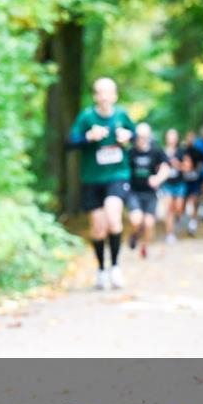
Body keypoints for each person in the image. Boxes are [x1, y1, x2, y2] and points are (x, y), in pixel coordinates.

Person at [66, 78, 135, 290]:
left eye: (108, 92)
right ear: (95, 96)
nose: (104, 97)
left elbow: (135, 138)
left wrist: (127, 137)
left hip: (117, 176)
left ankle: (115, 267)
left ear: (115, 95)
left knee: (114, 219)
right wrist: (88, 137)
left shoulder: (122, 115)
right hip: (92, 179)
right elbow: (69, 143)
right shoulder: (87, 117)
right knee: (98, 229)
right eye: (100, 93)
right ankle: (101, 270)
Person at [126, 123, 169, 258]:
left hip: (150, 193)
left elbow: (165, 168)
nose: (142, 139)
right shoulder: (130, 152)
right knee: (136, 220)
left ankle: (144, 247)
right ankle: (134, 234)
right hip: (134, 192)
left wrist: (158, 178)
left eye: (145, 137)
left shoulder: (156, 151)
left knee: (149, 223)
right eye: (140, 137)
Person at [159, 128, 186, 245]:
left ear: (177, 139)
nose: (172, 139)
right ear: (166, 138)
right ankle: (170, 234)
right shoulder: (162, 152)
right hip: (167, 184)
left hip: (179, 183)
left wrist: (177, 164)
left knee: (179, 207)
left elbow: (187, 167)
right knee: (169, 209)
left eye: (174, 137)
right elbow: (157, 167)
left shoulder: (181, 151)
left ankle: (178, 218)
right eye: (170, 136)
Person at [181, 130, 203, 236]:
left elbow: (201, 166)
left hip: (195, 181)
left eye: (192, 138)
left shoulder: (199, 152)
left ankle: (193, 223)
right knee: (183, 203)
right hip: (184, 182)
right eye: (189, 138)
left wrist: (197, 174)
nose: (190, 140)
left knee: (195, 201)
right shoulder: (182, 151)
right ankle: (184, 220)